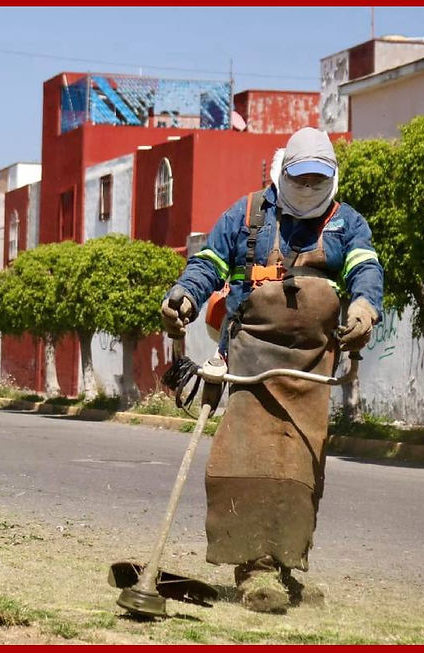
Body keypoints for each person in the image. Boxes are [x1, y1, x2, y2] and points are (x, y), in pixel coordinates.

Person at [160, 127, 383, 613]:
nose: (306, 189)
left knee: (299, 469)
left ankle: (282, 564)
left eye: (315, 181)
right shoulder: (246, 215)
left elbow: (366, 270)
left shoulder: (347, 224)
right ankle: (254, 568)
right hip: (249, 360)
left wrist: (365, 308)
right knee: (246, 461)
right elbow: (208, 263)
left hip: (310, 367)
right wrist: (184, 297)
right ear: (283, 174)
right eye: (298, 180)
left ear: (331, 178)